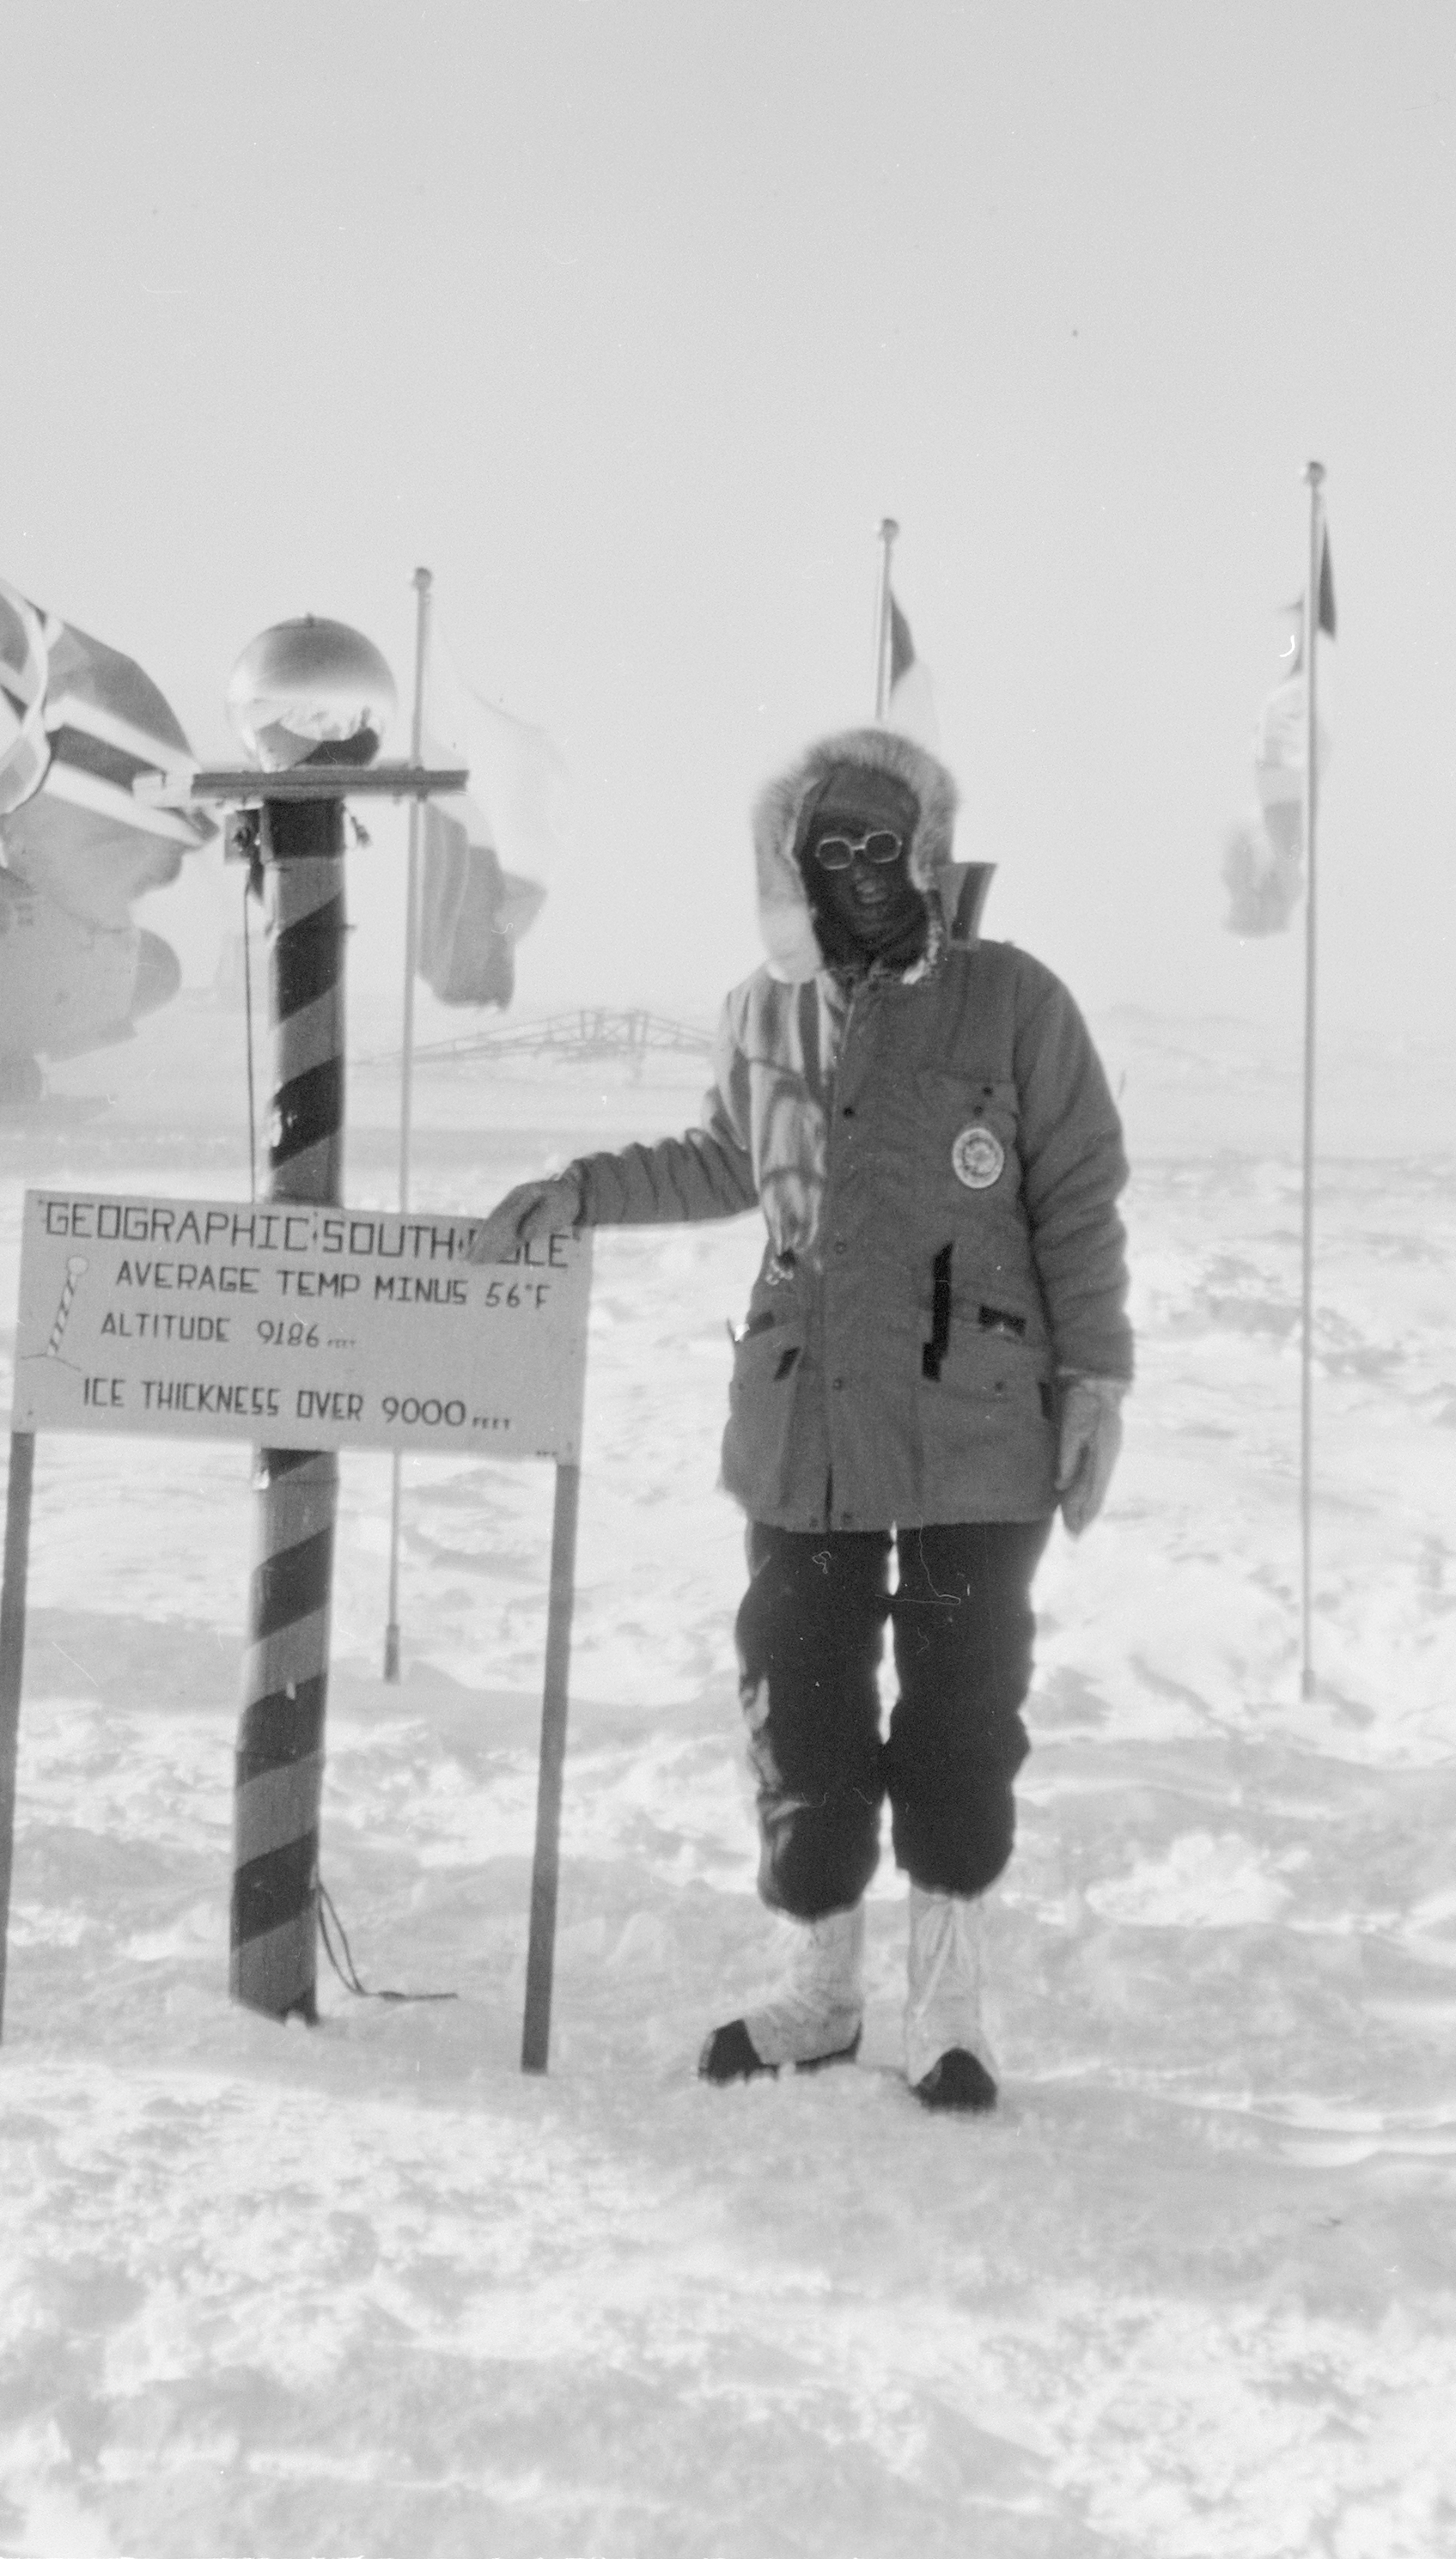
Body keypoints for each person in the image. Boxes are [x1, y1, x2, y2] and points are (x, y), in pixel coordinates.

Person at [477, 727, 1129, 2113]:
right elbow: (725, 1153)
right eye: (827, 849)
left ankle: (948, 2005)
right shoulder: (763, 1010)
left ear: (929, 855)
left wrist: (1096, 1383)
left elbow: (1075, 1195)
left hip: (975, 1430)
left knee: (961, 1711)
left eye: (881, 846)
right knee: (803, 1698)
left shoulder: (1012, 1002)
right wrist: (581, 1190)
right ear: (789, 861)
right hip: (807, 1427)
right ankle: (820, 1992)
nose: (859, 873)